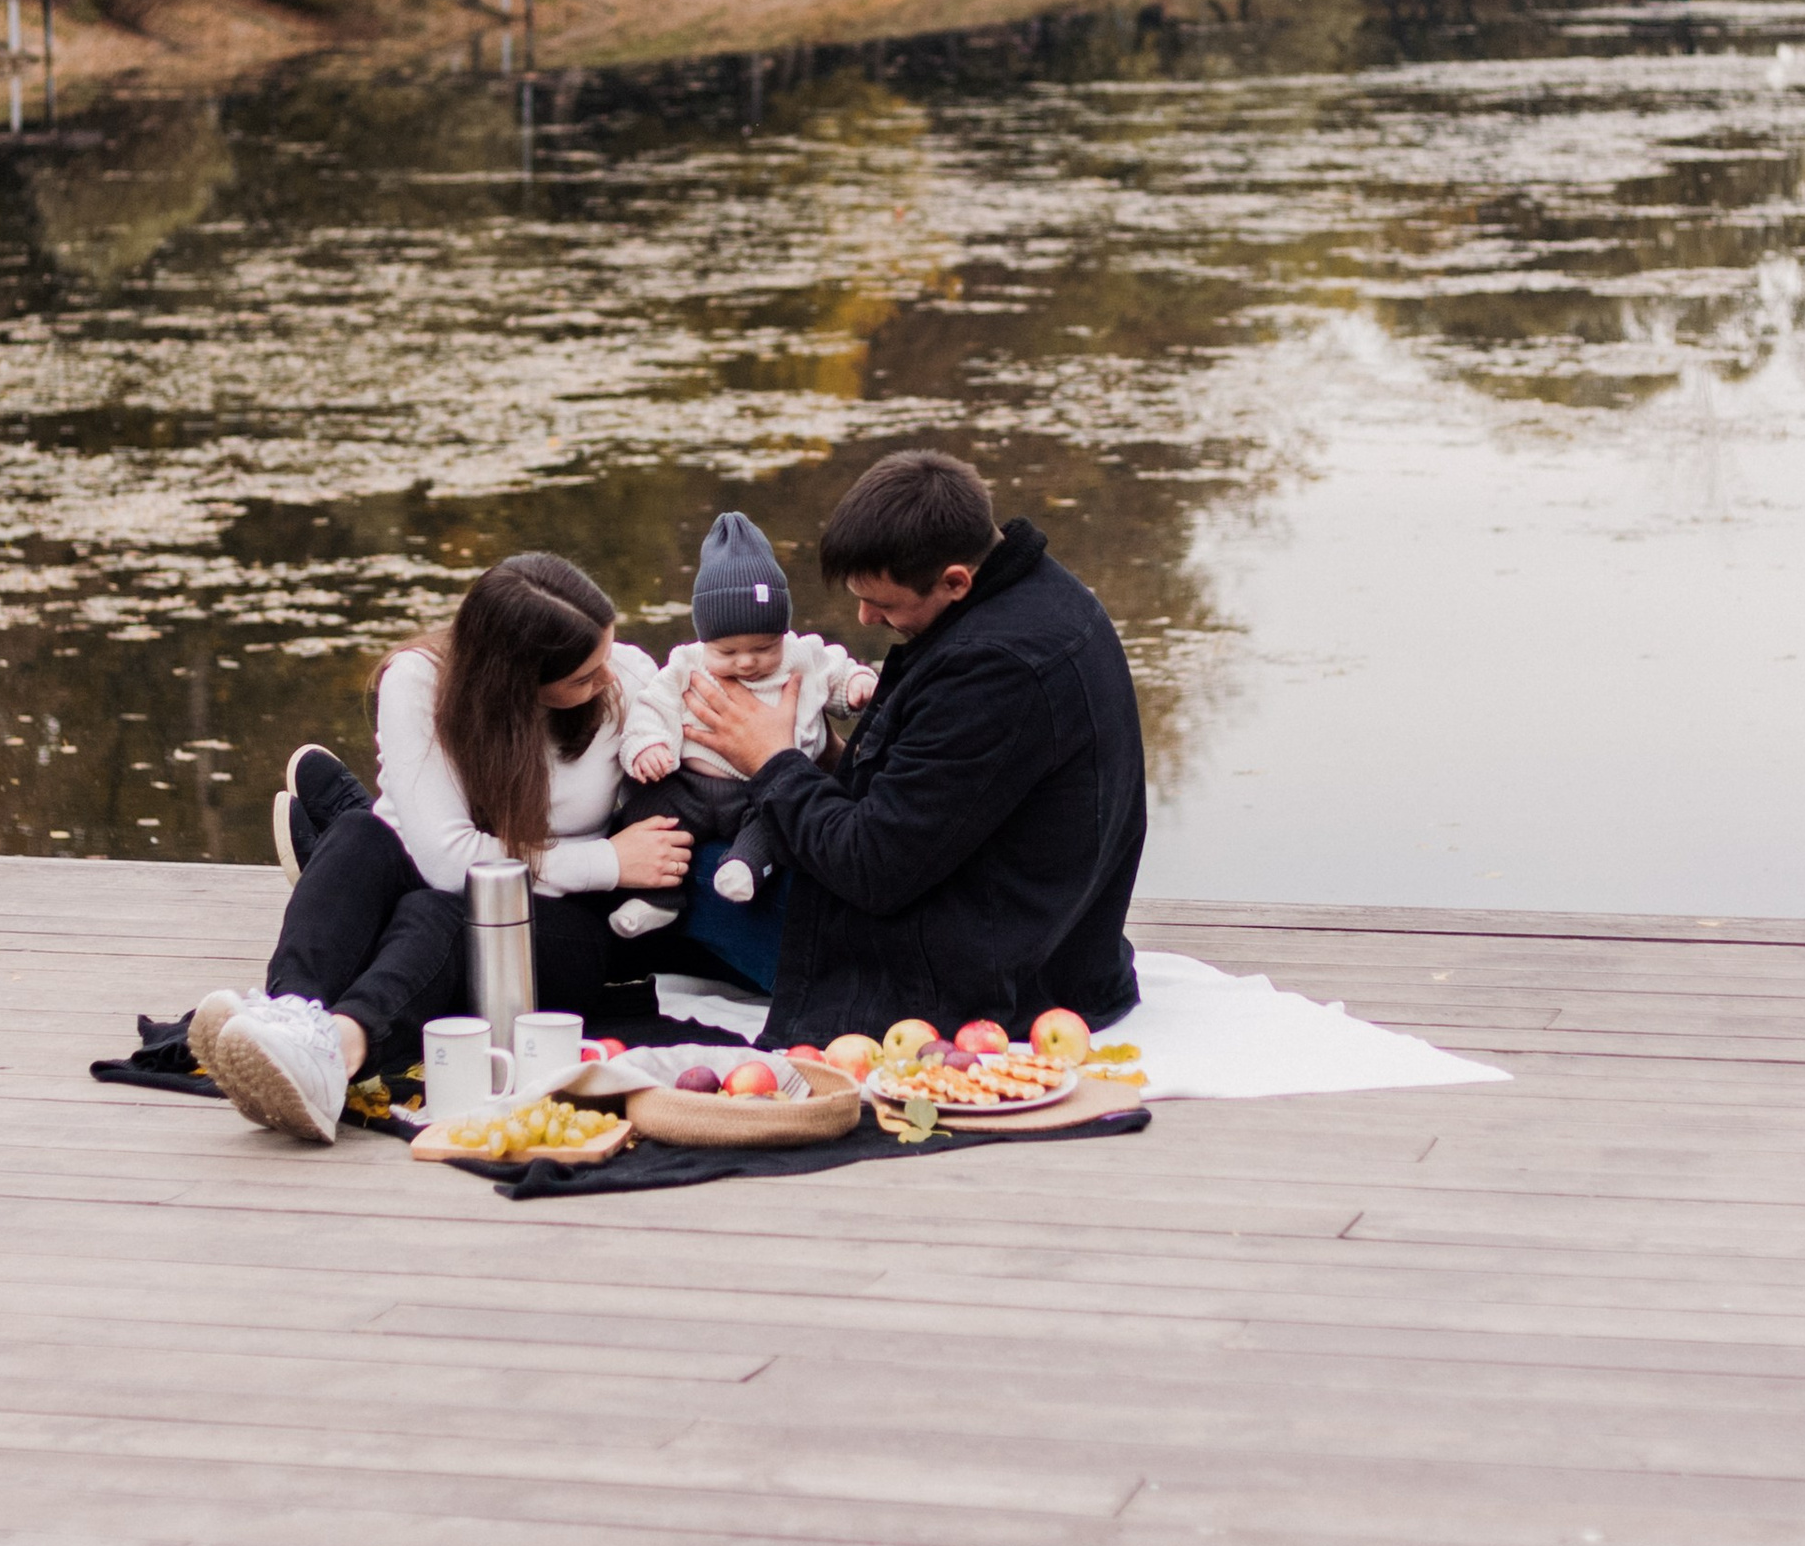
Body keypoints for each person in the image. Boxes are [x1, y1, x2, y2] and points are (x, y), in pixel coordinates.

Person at [195, 554, 691, 1142]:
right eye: (582, 677)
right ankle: (286, 1022)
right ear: (516, 680)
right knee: (358, 836)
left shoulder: (628, 681)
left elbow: (720, 704)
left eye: (604, 658)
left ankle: (341, 1047)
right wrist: (607, 859)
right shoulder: (419, 681)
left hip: (559, 923)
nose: (606, 678)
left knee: (440, 910)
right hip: (449, 871)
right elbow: (445, 857)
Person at [682, 448, 1144, 1051]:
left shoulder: (993, 670)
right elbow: (931, 791)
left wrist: (773, 763)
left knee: (682, 864)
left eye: (885, 603)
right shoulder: (1047, 597)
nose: (865, 616)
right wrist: (823, 757)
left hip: (976, 972)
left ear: (955, 580)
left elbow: (871, 868)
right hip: (1056, 939)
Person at [606, 510, 876, 941]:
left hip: (762, 788)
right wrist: (648, 746)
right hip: (691, 786)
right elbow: (651, 706)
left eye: (762, 647)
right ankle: (661, 900)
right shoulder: (686, 664)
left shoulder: (801, 655)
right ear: (703, 639)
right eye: (728, 651)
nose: (747, 661)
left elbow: (837, 672)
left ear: (782, 633)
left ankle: (746, 868)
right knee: (647, 812)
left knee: (775, 823)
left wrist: (858, 685)